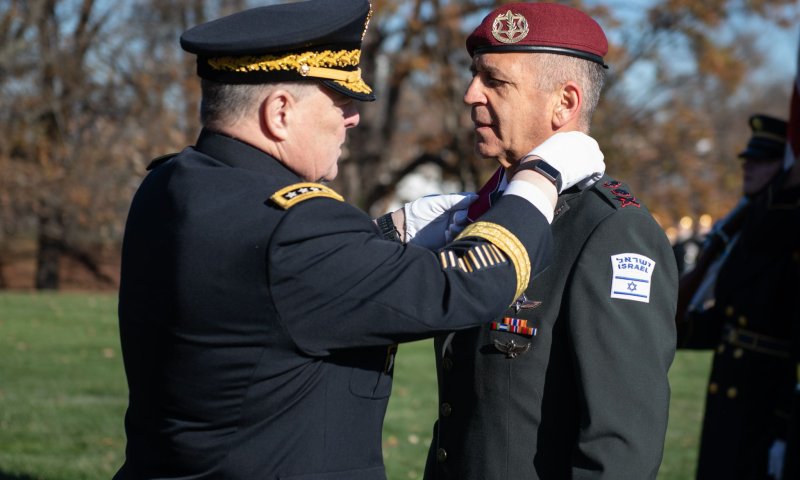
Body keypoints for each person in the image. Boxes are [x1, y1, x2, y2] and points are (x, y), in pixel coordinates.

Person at [113, 0, 607, 479]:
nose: (352, 118)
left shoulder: (175, 182)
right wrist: (540, 175)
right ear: (279, 112)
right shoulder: (293, 225)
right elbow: (472, 283)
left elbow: (279, 280)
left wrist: (392, 233)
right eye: (341, 100)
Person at [423, 3, 678, 479]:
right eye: (474, 76)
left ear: (564, 102)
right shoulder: (489, 213)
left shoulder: (610, 232)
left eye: (494, 81)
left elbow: (619, 449)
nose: (469, 94)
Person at [678, 114, 800, 479]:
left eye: (762, 161)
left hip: (766, 399)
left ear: (788, 168)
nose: (748, 166)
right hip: (731, 393)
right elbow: (733, 318)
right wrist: (677, 329)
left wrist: (785, 425)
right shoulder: (745, 225)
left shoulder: (786, 231)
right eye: (749, 158)